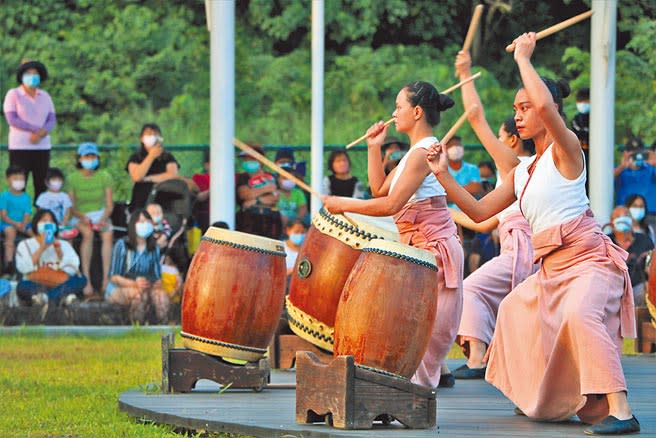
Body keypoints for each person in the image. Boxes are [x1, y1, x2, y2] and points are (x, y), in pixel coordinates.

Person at [427, 32, 639, 435]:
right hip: (549, 269)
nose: (520, 114)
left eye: (526, 107)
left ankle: (622, 410)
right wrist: (442, 176)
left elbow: (542, 100)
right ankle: (541, 397)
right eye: (516, 108)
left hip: (588, 260)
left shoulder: (568, 150)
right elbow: (478, 209)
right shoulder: (521, 170)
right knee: (511, 310)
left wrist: (524, 57)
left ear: (550, 112)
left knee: (581, 316)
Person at [324, 80, 463, 389]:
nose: (394, 112)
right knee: (414, 329)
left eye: (399, 107)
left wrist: (343, 203)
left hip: (434, 246)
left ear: (416, 112)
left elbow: (390, 205)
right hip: (420, 248)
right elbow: (380, 189)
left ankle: (414, 396)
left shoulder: (422, 153)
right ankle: (411, 392)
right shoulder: (414, 153)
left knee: (427, 332)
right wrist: (374, 147)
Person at [448, 48, 537, 380]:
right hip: (527, 249)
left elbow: (475, 116)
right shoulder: (527, 168)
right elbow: (484, 221)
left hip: (528, 251)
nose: (496, 143)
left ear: (512, 141)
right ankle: (488, 356)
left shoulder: (514, 165)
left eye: (501, 139)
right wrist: (447, 211)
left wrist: (464, 75)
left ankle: (478, 358)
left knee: (471, 289)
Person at [3, 60, 56, 200]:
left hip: (42, 147)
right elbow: (12, 118)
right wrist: (36, 130)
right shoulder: (13, 94)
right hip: (20, 147)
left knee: (42, 184)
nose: (32, 76)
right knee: (18, 184)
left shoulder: (45, 96)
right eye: (28, 73)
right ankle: (16, 218)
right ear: (21, 75)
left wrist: (44, 131)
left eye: (35, 73)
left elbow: (52, 119)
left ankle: (42, 216)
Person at [67, 142, 114, 297]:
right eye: (87, 156)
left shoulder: (105, 177)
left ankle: (106, 279)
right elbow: (71, 207)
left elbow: (109, 205)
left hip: (99, 214)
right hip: (79, 216)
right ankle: (86, 279)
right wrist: (83, 217)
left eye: (93, 156)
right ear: (79, 159)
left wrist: (102, 219)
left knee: (108, 233)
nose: (90, 159)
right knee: (88, 234)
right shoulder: (72, 179)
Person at [106, 209, 168, 324]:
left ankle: (162, 329)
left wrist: (156, 283)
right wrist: (134, 283)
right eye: (141, 221)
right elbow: (114, 277)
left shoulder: (154, 248)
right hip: (119, 288)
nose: (145, 224)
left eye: (147, 221)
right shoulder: (122, 245)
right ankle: (136, 328)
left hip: (146, 287)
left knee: (161, 296)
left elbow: (156, 276)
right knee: (138, 296)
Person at [15, 209, 86, 306]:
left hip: (59, 284)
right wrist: (42, 248)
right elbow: (23, 268)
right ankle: (57, 297)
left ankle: (47, 298)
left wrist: (59, 251)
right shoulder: (25, 244)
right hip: (36, 284)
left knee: (81, 279)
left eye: (51, 221)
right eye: (44, 221)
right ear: (36, 224)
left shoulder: (63, 244)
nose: (47, 223)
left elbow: (73, 267)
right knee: (22, 286)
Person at [127, 123, 179, 211]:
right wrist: (151, 156)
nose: (152, 136)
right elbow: (137, 176)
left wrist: (148, 178)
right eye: (148, 133)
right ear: (141, 138)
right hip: (141, 201)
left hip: (164, 200)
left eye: (155, 134)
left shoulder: (168, 157)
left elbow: (172, 176)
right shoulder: (135, 157)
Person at [609, 206, 653, 306]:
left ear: (631, 220)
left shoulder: (644, 240)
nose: (623, 219)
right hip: (611, 292)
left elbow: (651, 268)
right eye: (618, 217)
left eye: (626, 216)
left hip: (637, 291)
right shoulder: (605, 241)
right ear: (611, 222)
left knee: (647, 288)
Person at [235, 144, 282, 239]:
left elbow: (274, 198)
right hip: (248, 221)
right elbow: (244, 194)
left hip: (270, 221)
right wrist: (266, 189)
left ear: (260, 160)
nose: (247, 162)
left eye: (251, 159)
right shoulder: (242, 177)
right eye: (245, 159)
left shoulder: (271, 177)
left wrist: (255, 200)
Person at [0, 165, 33, 274]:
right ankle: (8, 263)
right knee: (10, 232)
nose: (19, 182)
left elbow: (27, 214)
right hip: (7, 223)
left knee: (34, 233)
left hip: (23, 223)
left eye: (21, 179)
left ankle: (36, 261)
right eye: (15, 179)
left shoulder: (26, 197)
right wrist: (15, 224)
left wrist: (23, 224)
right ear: (8, 179)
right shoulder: (4, 196)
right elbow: (4, 215)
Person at [614, 140, 656, 217]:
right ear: (625, 153)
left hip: (650, 214)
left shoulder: (651, 169)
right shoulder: (619, 170)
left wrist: (654, 163)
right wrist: (622, 166)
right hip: (624, 215)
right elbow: (604, 182)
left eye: (638, 152)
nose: (636, 156)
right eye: (632, 153)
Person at [35, 168, 74, 236]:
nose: (57, 182)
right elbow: (40, 213)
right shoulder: (43, 196)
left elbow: (67, 212)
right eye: (54, 180)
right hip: (47, 224)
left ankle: (68, 246)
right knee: (49, 234)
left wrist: (64, 223)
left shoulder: (65, 196)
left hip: (62, 224)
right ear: (47, 182)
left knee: (70, 234)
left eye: (59, 180)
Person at [571, 88, 590, 195]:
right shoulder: (576, 120)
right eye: (580, 101)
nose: (582, 104)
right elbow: (579, 132)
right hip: (581, 160)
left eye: (585, 101)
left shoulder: (598, 118)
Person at [191, 150, 210, 233]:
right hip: (204, 217)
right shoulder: (198, 178)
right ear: (206, 165)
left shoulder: (231, 177)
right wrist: (214, 189)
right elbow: (198, 197)